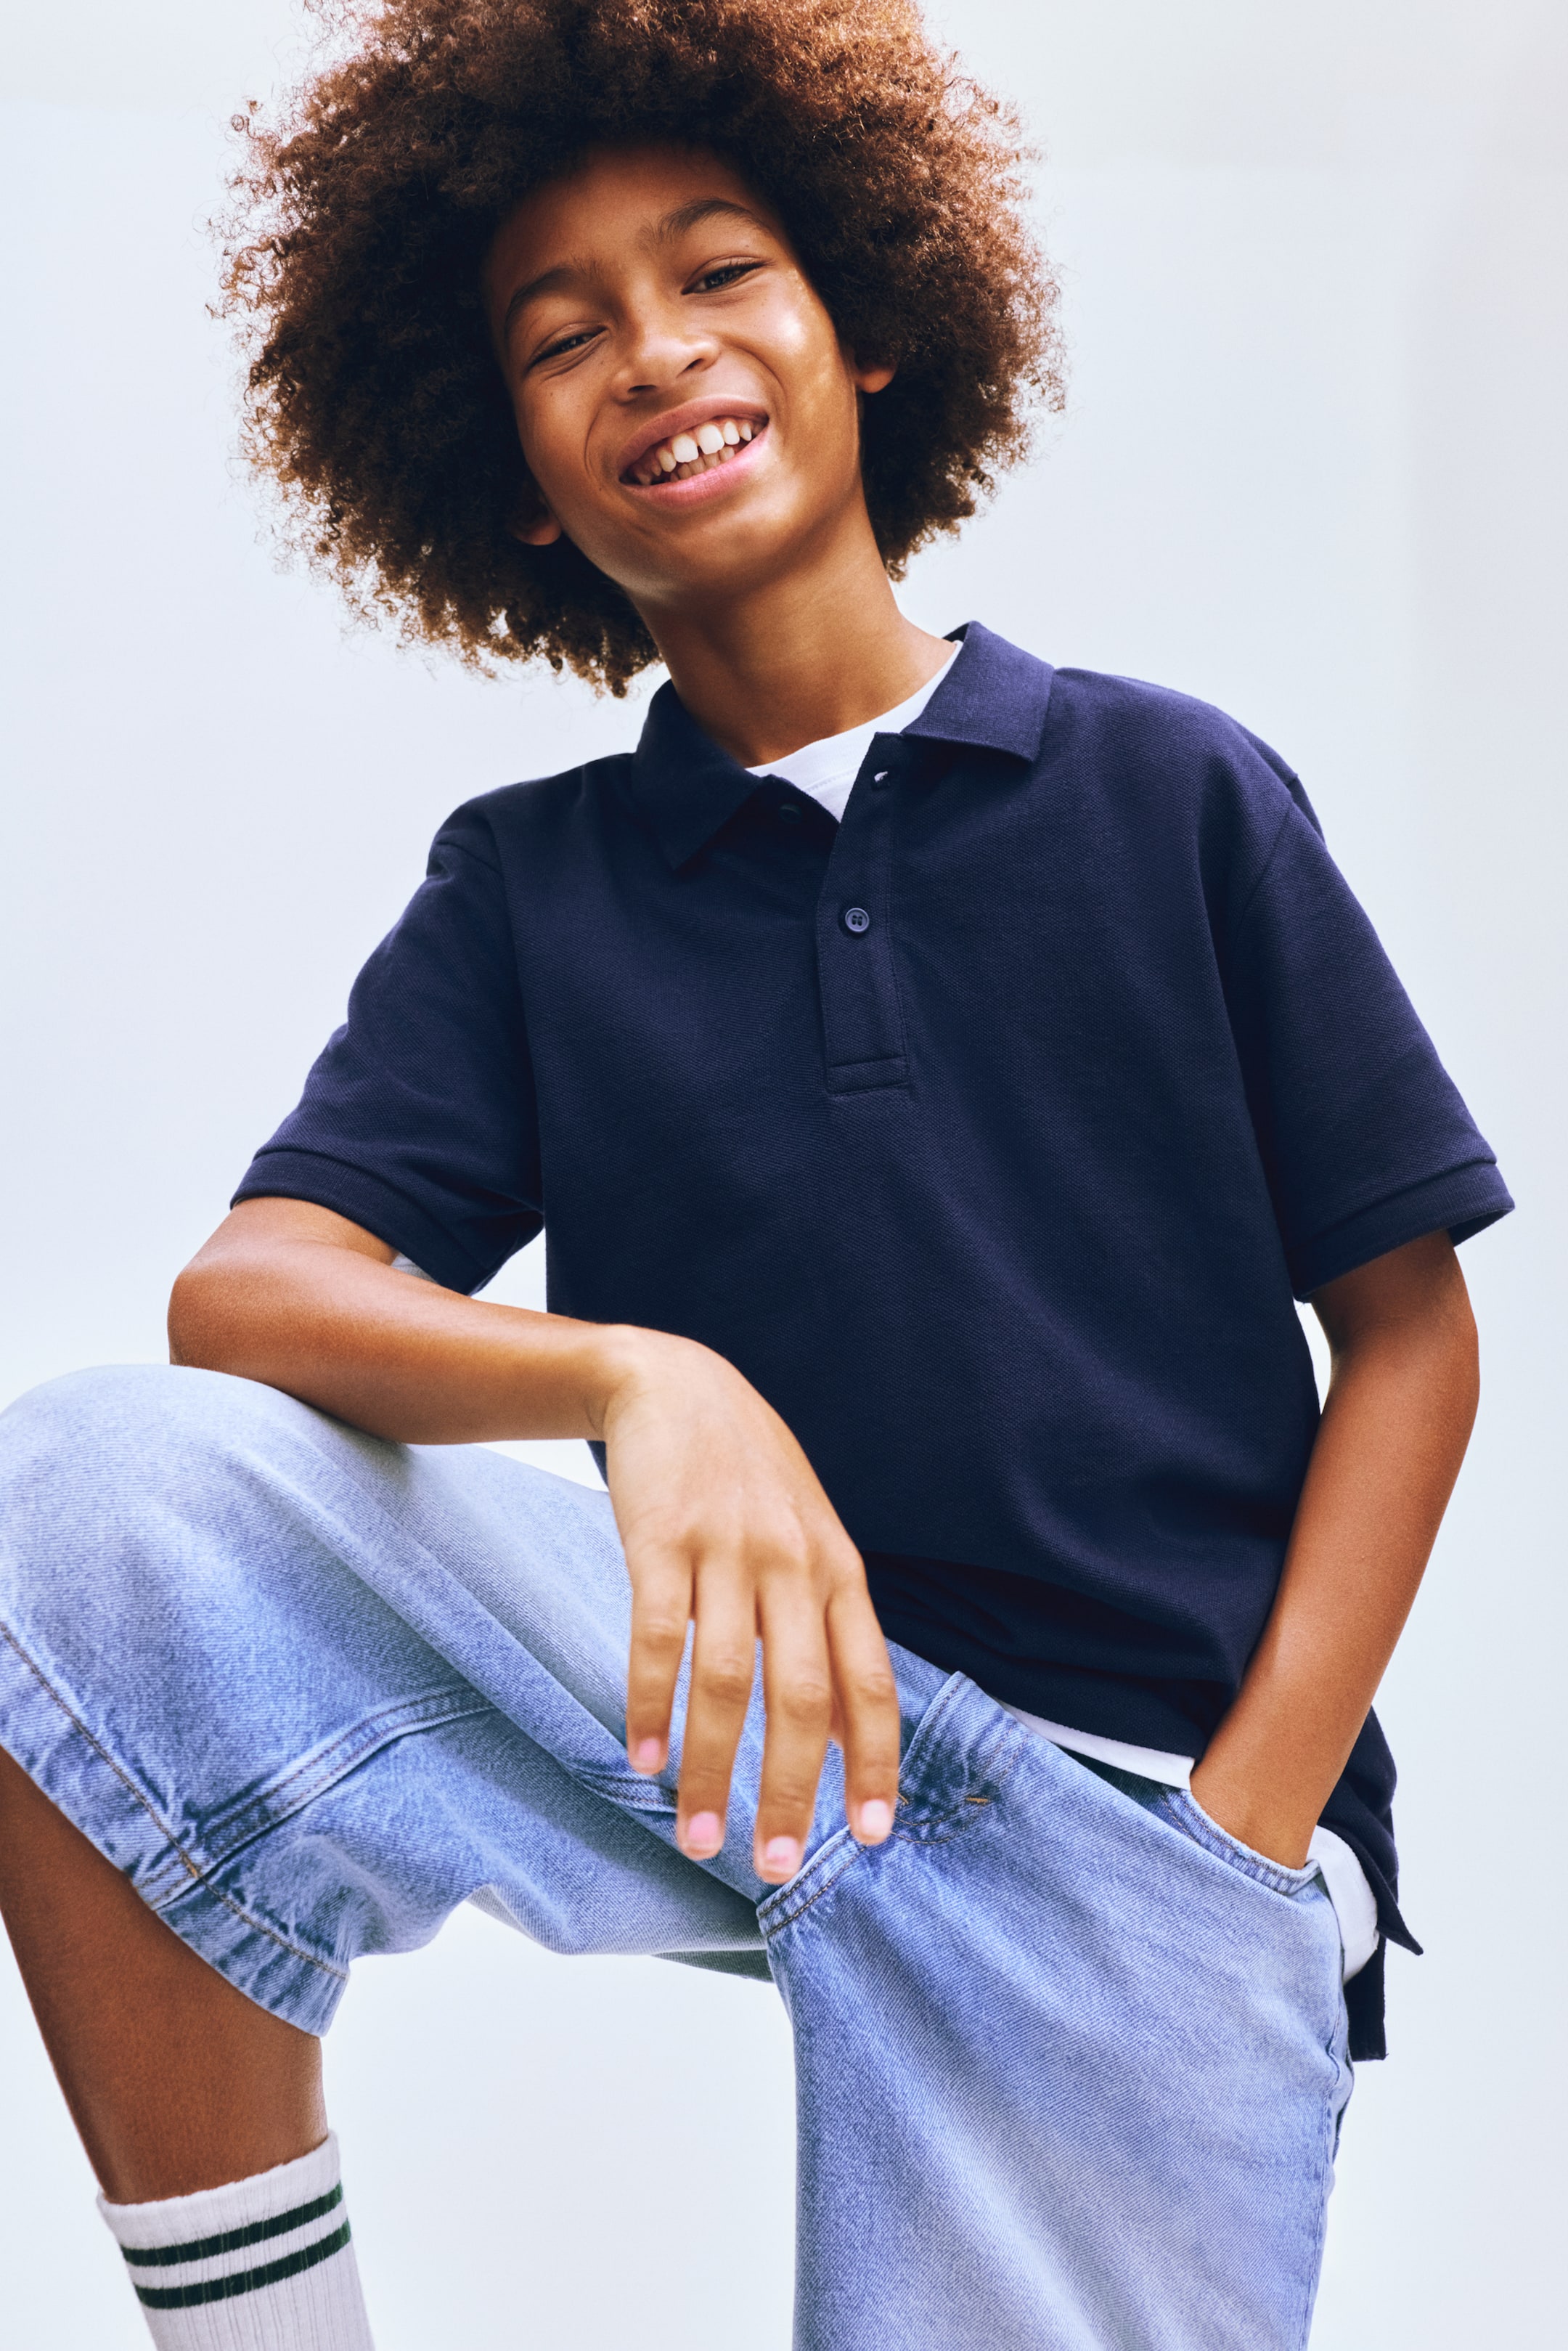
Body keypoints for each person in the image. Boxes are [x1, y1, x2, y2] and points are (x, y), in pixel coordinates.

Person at [0, 2, 1510, 2345]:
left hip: (1139, 1815)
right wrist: (633, 1377)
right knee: (74, 1519)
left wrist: (1250, 1822)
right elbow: (250, 1290)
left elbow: (1409, 1328)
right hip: (744, 1715)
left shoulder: (1171, 793)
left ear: (866, 328)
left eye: (717, 274)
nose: (654, 354)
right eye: (563, 331)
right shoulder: (532, 887)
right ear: (508, 471)